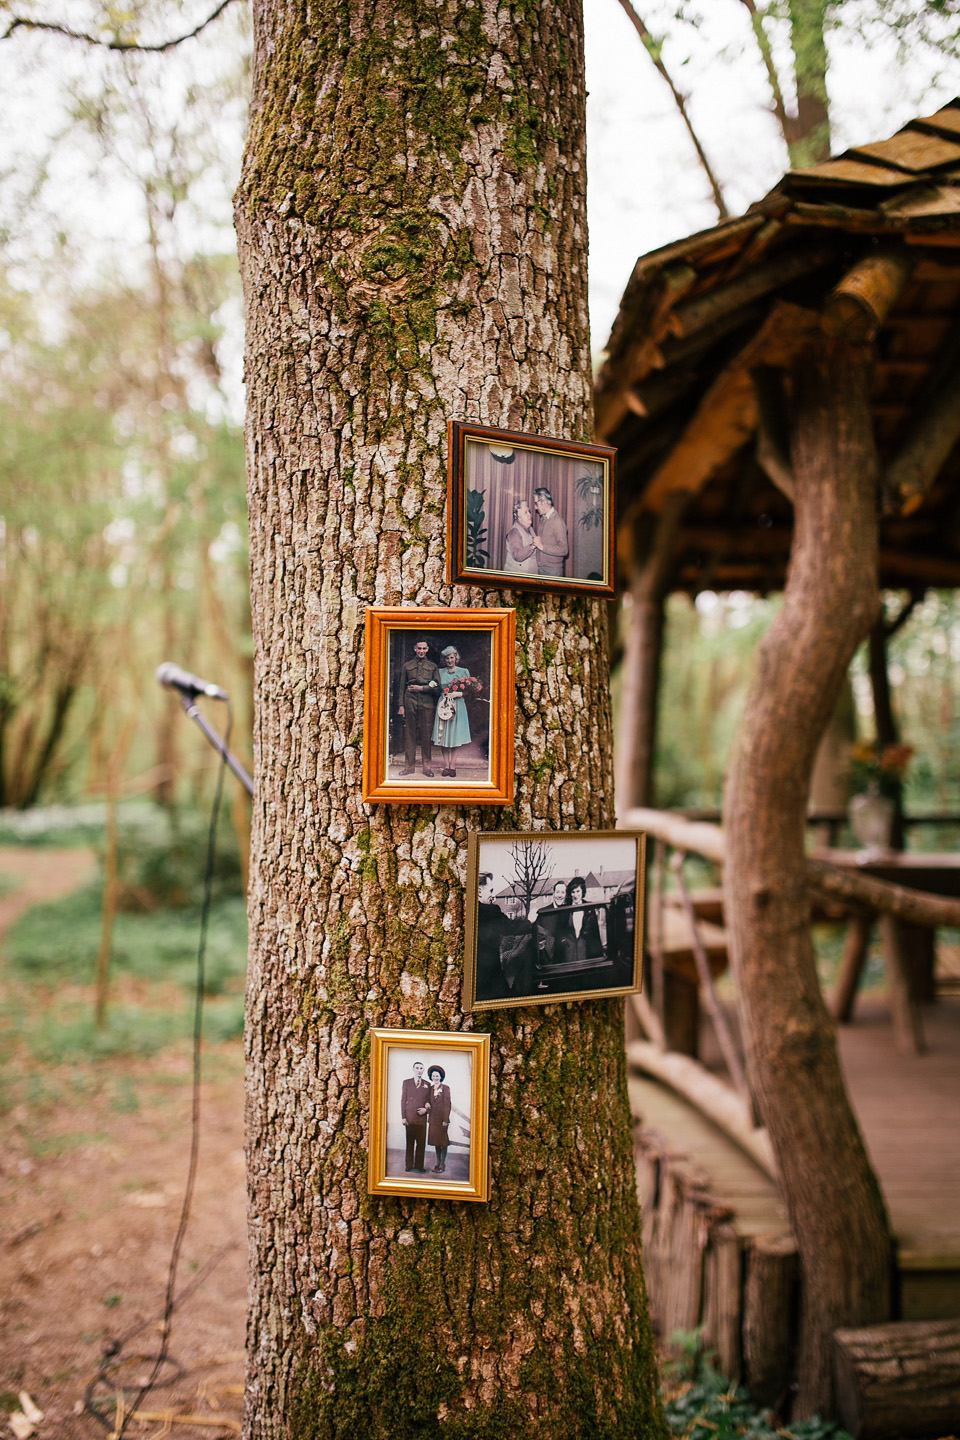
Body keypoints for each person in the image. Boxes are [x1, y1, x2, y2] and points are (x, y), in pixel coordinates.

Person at [397, 638, 440, 777]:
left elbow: (437, 686)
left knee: (426, 735)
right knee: (410, 735)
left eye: (424, 649)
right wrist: (401, 705)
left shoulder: (433, 667)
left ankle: (427, 768)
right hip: (410, 702)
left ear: (427, 650)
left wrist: (422, 688)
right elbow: (402, 686)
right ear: (415, 649)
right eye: (419, 648)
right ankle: (409, 767)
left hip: (426, 702)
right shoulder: (407, 666)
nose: (421, 651)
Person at [432, 645, 472, 777]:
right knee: (443, 735)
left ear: (456, 657)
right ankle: (445, 766)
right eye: (446, 658)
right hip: (443, 705)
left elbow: (470, 691)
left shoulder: (463, 671)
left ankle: (453, 766)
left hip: (458, 705)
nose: (449, 660)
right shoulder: (440, 672)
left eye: (451, 658)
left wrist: (458, 694)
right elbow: (436, 688)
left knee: (455, 736)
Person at [534, 879, 575, 980]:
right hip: (548, 966)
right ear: (553, 894)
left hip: (566, 964)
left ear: (566, 895)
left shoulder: (570, 912)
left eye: (562, 892)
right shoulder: (543, 913)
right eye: (557, 892)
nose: (559, 895)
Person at [564, 877, 605, 966]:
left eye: (578, 891)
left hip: (586, 954)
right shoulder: (565, 910)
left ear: (582, 891)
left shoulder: (589, 908)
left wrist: (599, 957)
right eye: (573, 892)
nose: (575, 895)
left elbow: (595, 934)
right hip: (569, 956)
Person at [400, 1060, 430, 1172]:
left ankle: (419, 1166)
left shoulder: (427, 1084)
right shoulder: (406, 1082)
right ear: (413, 1069)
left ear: (423, 1071)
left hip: (421, 1119)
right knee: (410, 1143)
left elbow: (429, 1101)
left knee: (421, 1143)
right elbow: (403, 1100)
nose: (419, 1070)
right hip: (410, 1117)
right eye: (417, 1068)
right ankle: (409, 1165)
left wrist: (426, 1109)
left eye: (421, 1068)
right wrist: (403, 1117)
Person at [533, 487, 569, 577]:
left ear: (544, 502)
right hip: (542, 568)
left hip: (553, 571)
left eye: (536, 503)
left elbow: (564, 549)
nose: (535, 507)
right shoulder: (544, 518)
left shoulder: (557, 521)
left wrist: (542, 546)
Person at [425, 1065, 452, 1172]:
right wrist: (426, 1103)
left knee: (443, 1142)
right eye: (433, 1076)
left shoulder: (445, 1088)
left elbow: (447, 1105)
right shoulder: (430, 1089)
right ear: (431, 1077)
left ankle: (442, 1164)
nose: (435, 1077)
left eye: (437, 1076)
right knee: (436, 1142)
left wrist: (445, 1120)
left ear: (441, 1077)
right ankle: (437, 1162)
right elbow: (427, 1100)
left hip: (442, 1120)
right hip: (433, 1120)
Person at [502, 498, 539, 575]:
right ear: (519, 517)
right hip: (517, 575)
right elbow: (517, 555)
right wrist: (532, 546)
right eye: (526, 512)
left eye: (529, 511)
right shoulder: (514, 532)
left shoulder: (530, 529)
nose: (530, 515)